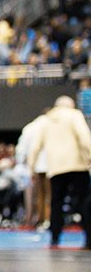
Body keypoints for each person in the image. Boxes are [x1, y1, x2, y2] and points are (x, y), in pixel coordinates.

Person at [29, 96, 91, 248]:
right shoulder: (74, 115)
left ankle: (55, 238)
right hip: (77, 166)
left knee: (56, 203)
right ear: (71, 105)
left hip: (56, 168)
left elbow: (35, 146)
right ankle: (89, 238)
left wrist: (32, 167)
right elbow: (84, 137)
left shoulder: (46, 120)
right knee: (84, 202)